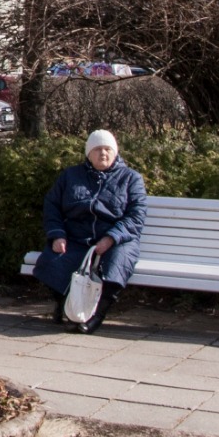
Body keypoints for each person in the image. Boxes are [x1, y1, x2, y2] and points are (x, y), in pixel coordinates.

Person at [33, 129, 147, 333]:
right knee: (51, 262)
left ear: (115, 153)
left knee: (116, 265)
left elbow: (136, 216)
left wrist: (111, 238)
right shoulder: (70, 175)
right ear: (88, 154)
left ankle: (96, 316)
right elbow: (52, 206)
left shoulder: (131, 178)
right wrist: (57, 234)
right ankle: (66, 304)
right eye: (97, 149)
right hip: (78, 235)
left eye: (107, 149)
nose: (103, 154)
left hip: (118, 238)